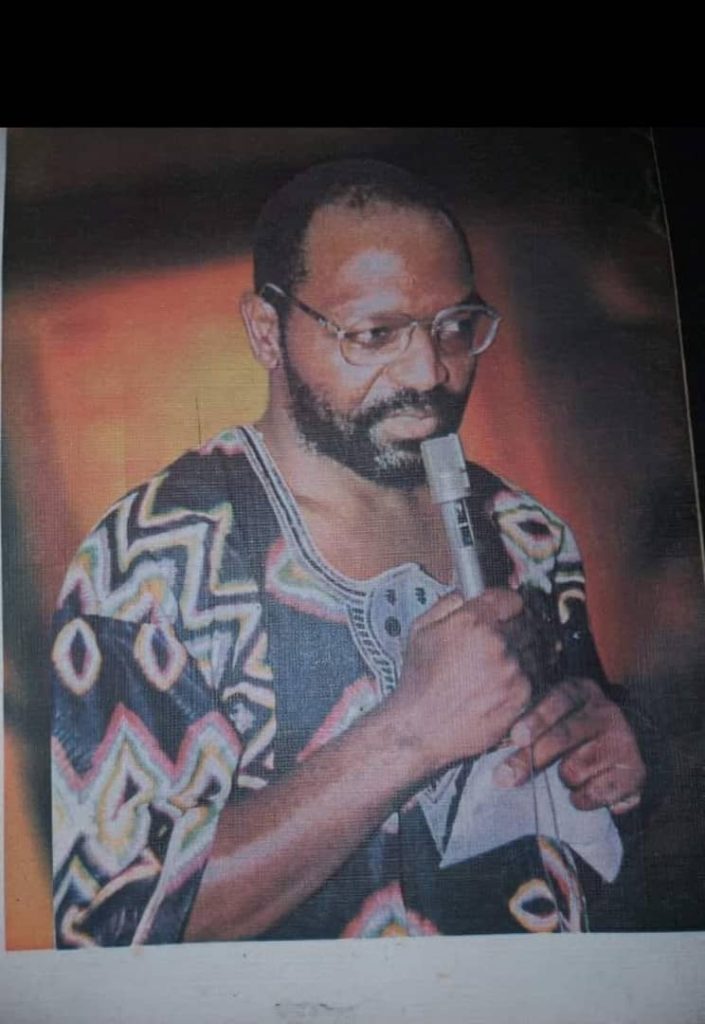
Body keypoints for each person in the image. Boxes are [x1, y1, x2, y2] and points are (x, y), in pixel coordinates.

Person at [51, 160, 647, 947]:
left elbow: (577, 851)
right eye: (374, 334)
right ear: (266, 331)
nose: (429, 371)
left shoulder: (527, 532)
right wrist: (411, 733)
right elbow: (107, 927)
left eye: (455, 326)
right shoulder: (152, 561)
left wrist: (612, 762)